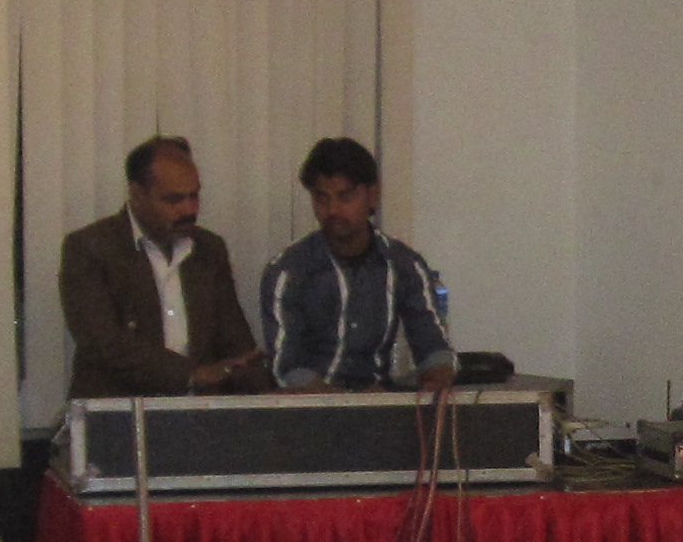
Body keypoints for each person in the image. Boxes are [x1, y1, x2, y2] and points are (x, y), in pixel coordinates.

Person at [60, 136, 272, 398]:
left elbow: (234, 338)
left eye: (194, 196)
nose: (189, 210)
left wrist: (265, 395)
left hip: (198, 411)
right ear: (137, 194)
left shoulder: (209, 248)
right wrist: (192, 375)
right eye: (174, 200)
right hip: (116, 408)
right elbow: (103, 343)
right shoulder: (91, 247)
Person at [259, 136, 455, 393]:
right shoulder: (287, 272)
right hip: (310, 409)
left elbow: (434, 346)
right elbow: (288, 368)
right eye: (321, 198)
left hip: (381, 404)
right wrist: (352, 403)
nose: (332, 210)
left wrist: (435, 380)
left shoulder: (405, 265)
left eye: (345, 197)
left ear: (372, 196)